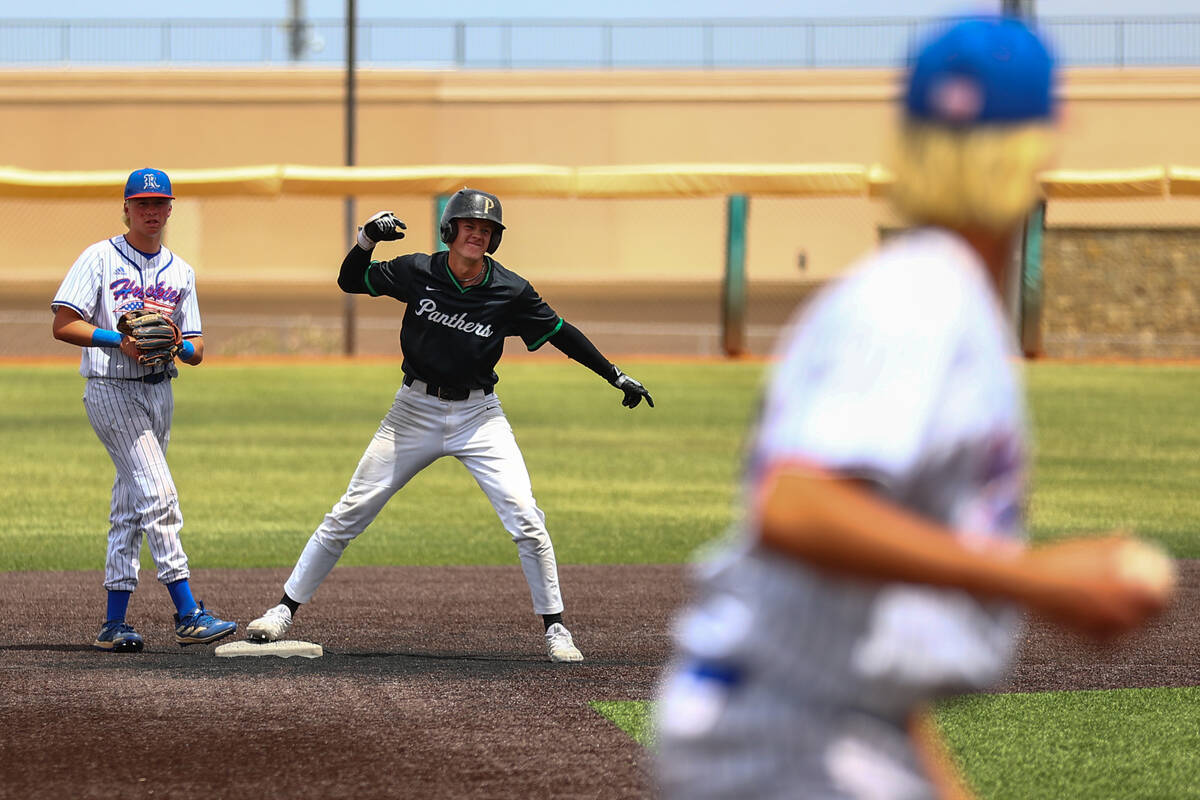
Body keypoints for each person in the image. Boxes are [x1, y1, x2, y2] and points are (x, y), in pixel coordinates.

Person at [652, 17, 1173, 800]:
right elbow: (796, 506)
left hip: (827, 723)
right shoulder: (920, 298)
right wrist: (1038, 581)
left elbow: (871, 630)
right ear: (1045, 143)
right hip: (783, 740)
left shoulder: (933, 293)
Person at [245, 188, 653, 662]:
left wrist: (614, 374)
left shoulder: (510, 290)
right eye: (470, 226)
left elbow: (562, 332)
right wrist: (365, 240)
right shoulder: (418, 270)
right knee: (347, 514)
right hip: (412, 412)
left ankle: (556, 629)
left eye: (487, 230)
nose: (477, 234)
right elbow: (350, 282)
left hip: (479, 417)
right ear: (451, 230)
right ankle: (282, 610)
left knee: (526, 519)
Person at [51, 167, 238, 653]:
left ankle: (114, 624)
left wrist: (179, 343)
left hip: (160, 392)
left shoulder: (181, 271)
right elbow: (63, 324)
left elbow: (196, 345)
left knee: (131, 506)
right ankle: (187, 611)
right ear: (127, 208)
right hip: (111, 389)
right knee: (159, 494)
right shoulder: (99, 257)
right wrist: (121, 340)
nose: (152, 212)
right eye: (142, 204)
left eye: (160, 204)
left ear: (169, 209)